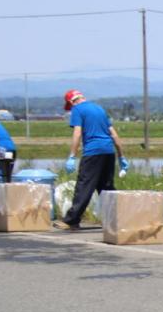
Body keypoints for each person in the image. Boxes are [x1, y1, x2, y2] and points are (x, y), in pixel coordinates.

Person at [55, 90, 128, 229]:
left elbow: (77, 134)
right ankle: (119, 218)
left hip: (92, 152)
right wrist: (121, 156)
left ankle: (72, 220)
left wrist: (72, 155)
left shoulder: (77, 109)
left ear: (71, 102)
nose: (71, 110)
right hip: (108, 151)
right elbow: (114, 134)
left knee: (84, 185)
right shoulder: (99, 109)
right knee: (106, 188)